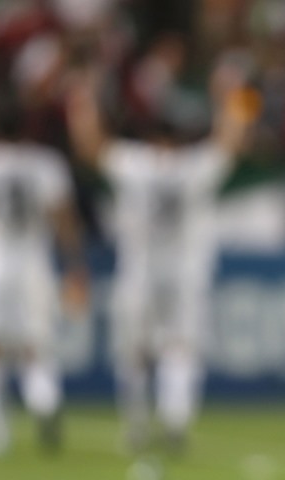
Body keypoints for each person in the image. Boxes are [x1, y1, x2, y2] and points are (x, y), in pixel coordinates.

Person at [64, 48, 254, 454]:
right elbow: (232, 141)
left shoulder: (134, 163)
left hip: (140, 273)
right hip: (186, 274)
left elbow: (90, 145)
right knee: (181, 348)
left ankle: (136, 427)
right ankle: (175, 421)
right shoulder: (194, 165)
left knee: (133, 353)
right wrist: (234, 95)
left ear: (150, 137)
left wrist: (82, 98)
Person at [0, 96, 89, 458]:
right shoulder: (47, 164)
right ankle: (44, 399)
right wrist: (75, 266)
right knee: (36, 344)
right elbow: (65, 220)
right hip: (34, 263)